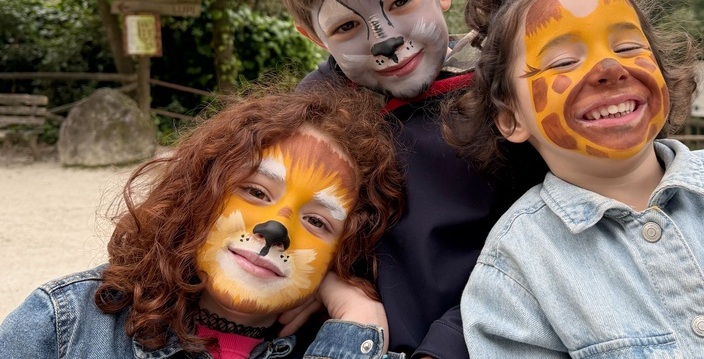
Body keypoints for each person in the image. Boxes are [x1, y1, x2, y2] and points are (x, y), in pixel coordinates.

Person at [443, 0, 704, 357]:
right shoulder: (516, 272)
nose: (610, 68)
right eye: (562, 61)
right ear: (511, 118)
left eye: (628, 48)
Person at [260, 0, 548, 358]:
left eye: (401, 2)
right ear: (314, 36)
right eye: (347, 26)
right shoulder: (309, 114)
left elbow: (542, 246)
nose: (386, 40)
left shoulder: (507, 97)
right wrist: (325, 278)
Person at [0, 82, 405, 359]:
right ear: (198, 192)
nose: (275, 230)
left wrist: (357, 321)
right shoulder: (63, 325)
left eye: (318, 222)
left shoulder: (334, 340)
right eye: (257, 192)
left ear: (341, 251)